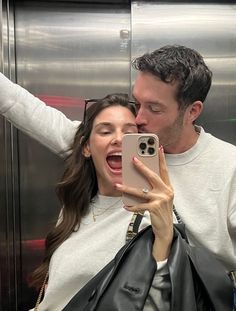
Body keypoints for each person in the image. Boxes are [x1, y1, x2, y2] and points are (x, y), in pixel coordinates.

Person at [0, 44, 235, 272]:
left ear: (192, 111)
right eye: (138, 102)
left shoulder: (228, 166)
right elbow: (24, 107)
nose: (139, 118)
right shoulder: (122, 144)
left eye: (154, 108)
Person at [29, 93, 174, 310]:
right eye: (106, 131)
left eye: (129, 133)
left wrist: (164, 236)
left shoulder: (150, 215)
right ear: (86, 147)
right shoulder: (76, 206)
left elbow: (158, 303)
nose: (118, 139)